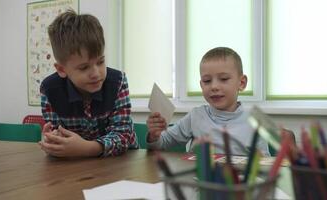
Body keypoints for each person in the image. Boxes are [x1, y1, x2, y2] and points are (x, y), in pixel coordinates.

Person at [38, 10, 138, 158]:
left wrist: (86, 148)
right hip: (77, 165)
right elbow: (58, 135)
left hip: (122, 161)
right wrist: (53, 139)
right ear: (61, 69)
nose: (96, 73)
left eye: (101, 61)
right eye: (84, 67)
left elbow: (123, 136)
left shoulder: (118, 81)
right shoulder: (49, 90)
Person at [146, 47, 270, 156]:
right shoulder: (195, 116)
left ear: (241, 83)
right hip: (198, 180)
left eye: (223, 79)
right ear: (201, 85)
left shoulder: (255, 122)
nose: (214, 86)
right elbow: (162, 144)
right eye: (207, 81)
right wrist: (154, 136)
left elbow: (265, 164)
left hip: (237, 181)